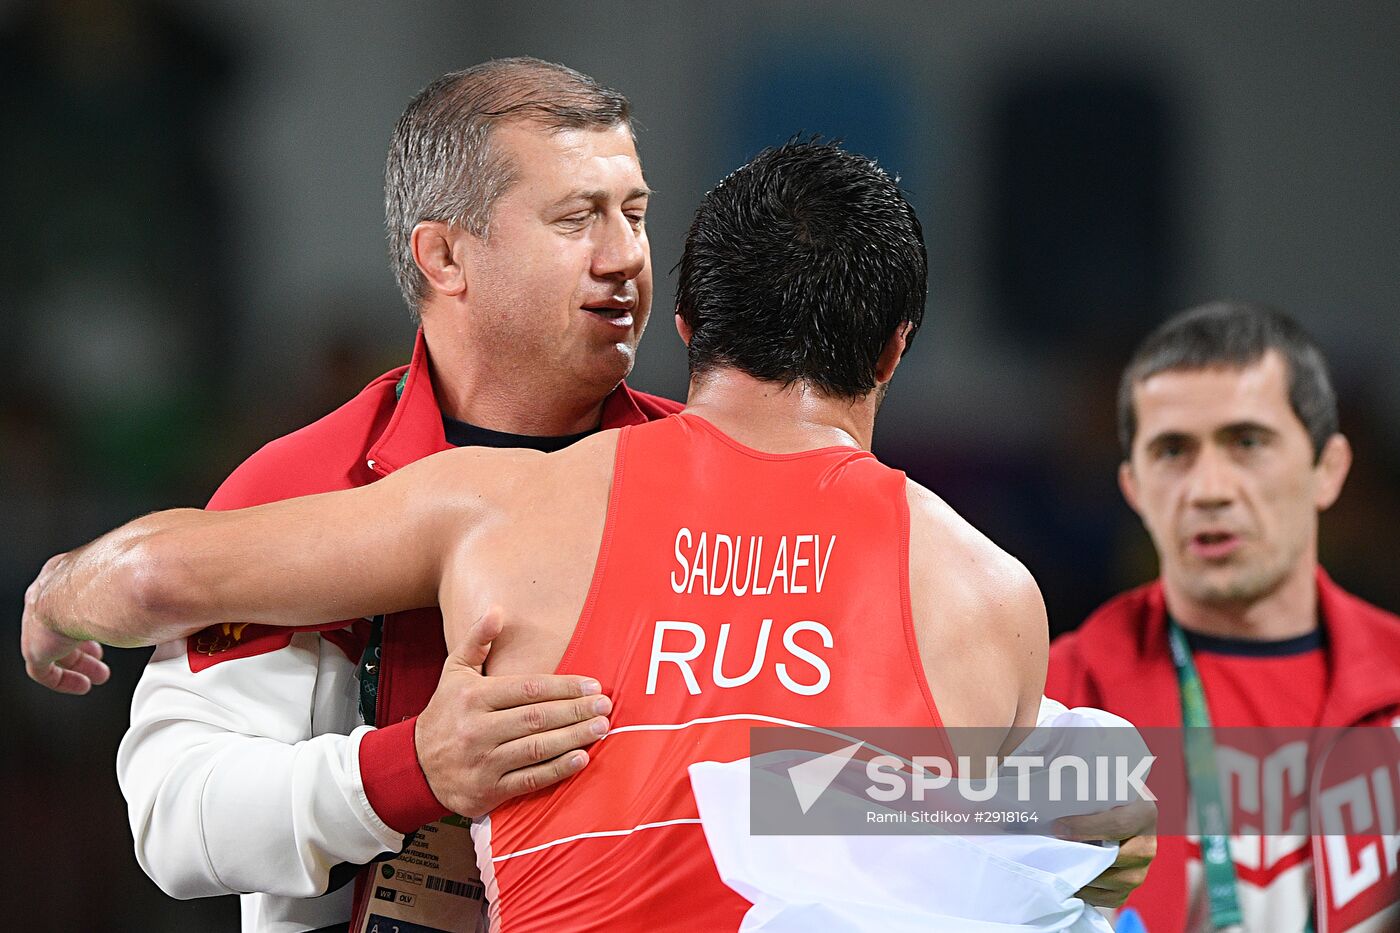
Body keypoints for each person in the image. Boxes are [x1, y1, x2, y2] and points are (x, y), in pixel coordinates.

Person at [24, 62, 1154, 929]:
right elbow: (172, 822)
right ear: (444, 256)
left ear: (690, 322)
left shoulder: (633, 479)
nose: (622, 254)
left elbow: (845, 747)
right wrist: (406, 772)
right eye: (577, 219)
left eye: (637, 211)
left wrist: (1077, 778)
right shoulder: (306, 484)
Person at [1045, 301, 1400, 933]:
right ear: (1134, 488)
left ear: (1329, 470)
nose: (1209, 487)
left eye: (1247, 443)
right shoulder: (1058, 699)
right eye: (1173, 451)